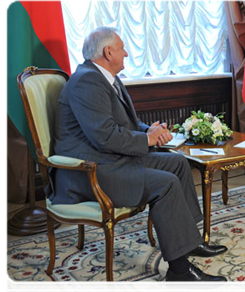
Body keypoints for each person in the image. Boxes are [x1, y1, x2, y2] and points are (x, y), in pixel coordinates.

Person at [50, 26, 228, 290]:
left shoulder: (106, 77)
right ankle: (179, 270)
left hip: (109, 159)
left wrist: (149, 131)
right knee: (165, 183)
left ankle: (190, 241)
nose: (127, 53)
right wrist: (147, 140)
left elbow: (123, 123)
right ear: (108, 51)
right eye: (122, 48)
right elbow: (104, 136)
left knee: (178, 163)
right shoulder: (87, 81)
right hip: (90, 171)